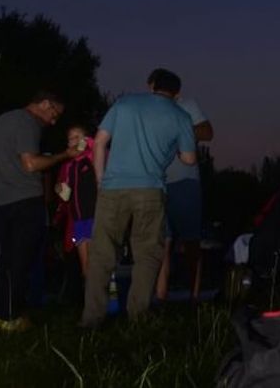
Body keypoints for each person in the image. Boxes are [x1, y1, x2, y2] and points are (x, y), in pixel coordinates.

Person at [80, 68, 196, 327]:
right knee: (147, 253)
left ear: (151, 85)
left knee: (102, 253)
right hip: (150, 190)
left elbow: (99, 142)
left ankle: (91, 318)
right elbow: (189, 159)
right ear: (176, 94)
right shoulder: (181, 115)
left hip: (113, 188)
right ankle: (138, 315)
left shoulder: (125, 103)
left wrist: (101, 180)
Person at [0, 90, 76, 331]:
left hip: (2, 201)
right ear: (45, 103)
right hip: (25, 201)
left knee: (7, 260)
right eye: (54, 113)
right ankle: (12, 317)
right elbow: (30, 164)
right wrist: (63, 155)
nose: (53, 121)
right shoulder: (27, 122)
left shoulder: (3, 120)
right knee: (21, 261)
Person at [154, 87, 213, 302]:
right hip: (157, 184)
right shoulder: (150, 113)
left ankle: (194, 297)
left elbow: (207, 132)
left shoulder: (186, 106)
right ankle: (160, 298)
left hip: (184, 181)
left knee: (190, 242)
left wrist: (180, 127)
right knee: (163, 243)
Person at [54, 125, 97, 277]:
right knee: (85, 263)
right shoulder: (67, 166)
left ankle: (106, 299)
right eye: (70, 139)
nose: (73, 141)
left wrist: (85, 143)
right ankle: (90, 296)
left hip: (95, 217)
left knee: (97, 261)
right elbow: (65, 197)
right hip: (78, 220)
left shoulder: (93, 157)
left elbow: (96, 144)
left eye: (77, 137)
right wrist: (59, 190)